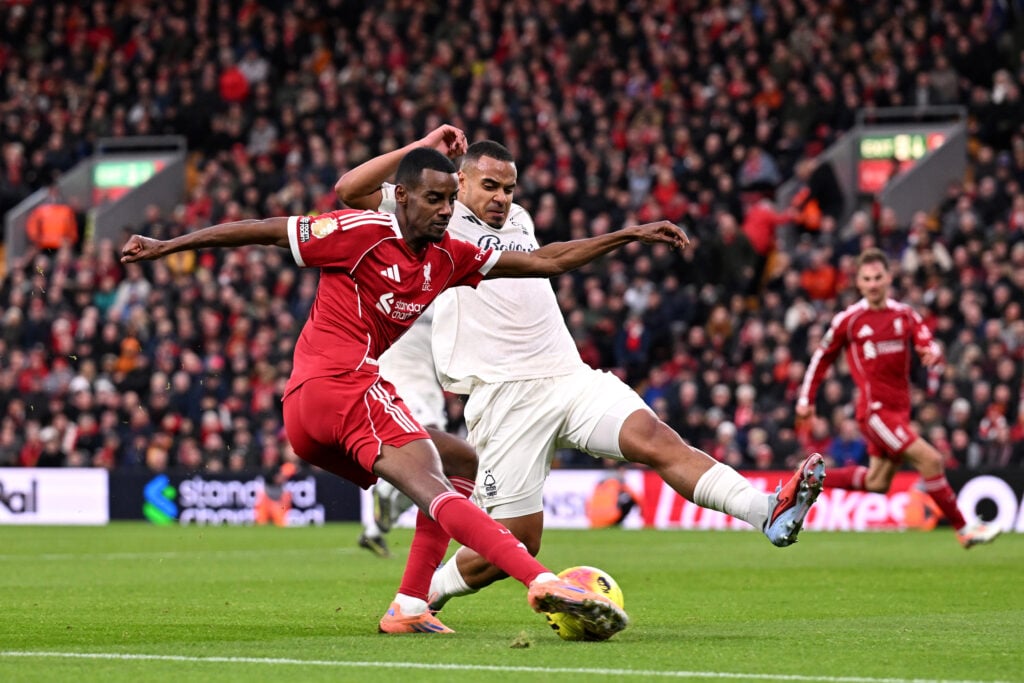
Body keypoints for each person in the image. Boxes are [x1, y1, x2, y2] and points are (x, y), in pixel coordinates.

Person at [122, 145, 688, 637]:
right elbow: (266, 230)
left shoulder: (450, 256)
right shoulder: (361, 232)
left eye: (449, 200)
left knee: (459, 460)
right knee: (438, 489)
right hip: (340, 387)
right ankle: (541, 582)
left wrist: (627, 234)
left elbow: (544, 260)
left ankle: (411, 605)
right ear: (400, 198)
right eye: (434, 199)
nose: (445, 210)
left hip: (316, 413)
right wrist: (168, 244)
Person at [336, 132, 826, 615]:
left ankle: (767, 513)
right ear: (458, 181)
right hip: (505, 399)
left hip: (568, 376)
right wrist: (422, 145)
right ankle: (430, 592)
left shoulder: (520, 219)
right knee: (517, 544)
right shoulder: (434, 220)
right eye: (489, 186)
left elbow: (548, 257)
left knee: (656, 439)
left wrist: (626, 234)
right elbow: (350, 191)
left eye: (509, 189)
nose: (502, 199)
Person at [796, 248, 1001, 549]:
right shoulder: (849, 320)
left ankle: (810, 477)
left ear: (889, 278)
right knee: (931, 459)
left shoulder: (904, 314)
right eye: (867, 279)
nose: (874, 283)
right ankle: (965, 528)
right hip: (875, 412)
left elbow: (926, 339)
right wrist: (807, 399)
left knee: (878, 482)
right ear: (860, 283)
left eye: (879, 277)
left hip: (899, 411)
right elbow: (821, 358)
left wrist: (932, 353)